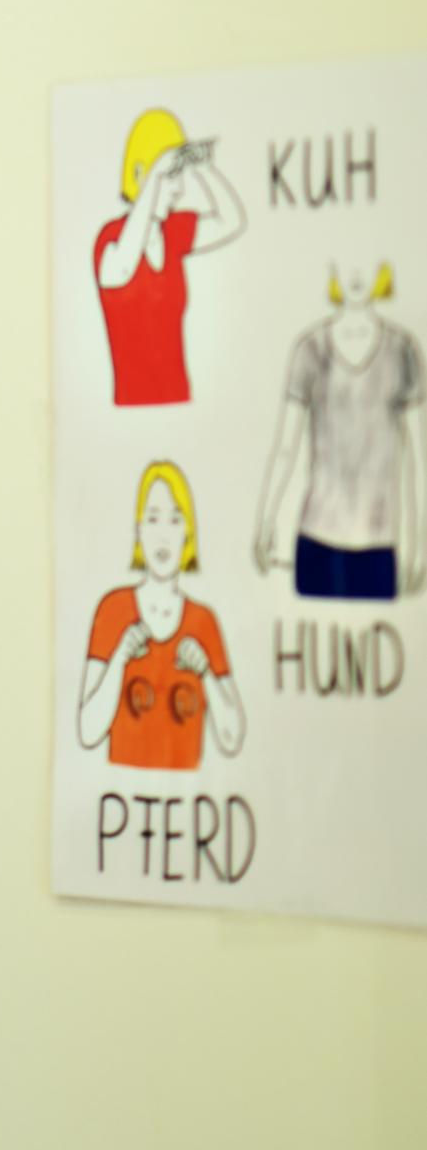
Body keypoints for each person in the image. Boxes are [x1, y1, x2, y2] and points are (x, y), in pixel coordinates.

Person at [255, 265, 427, 601]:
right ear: (333, 270)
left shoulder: (403, 350)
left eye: (367, 261)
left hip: (379, 544)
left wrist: (420, 545)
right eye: (347, 263)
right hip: (316, 540)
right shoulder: (310, 349)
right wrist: (266, 519)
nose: (356, 273)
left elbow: (419, 460)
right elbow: (286, 447)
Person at [79, 462, 245, 770]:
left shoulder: (204, 621)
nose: (163, 536)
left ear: (188, 534)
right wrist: (119, 659)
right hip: (120, 790)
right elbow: (88, 731)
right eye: (153, 519)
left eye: (175, 520)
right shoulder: (113, 610)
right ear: (138, 530)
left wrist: (206, 673)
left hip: (190, 792)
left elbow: (232, 737)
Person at [94, 108, 246, 406]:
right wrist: (157, 172)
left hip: (181, 401)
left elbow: (231, 220)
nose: (179, 189)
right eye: (170, 177)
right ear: (140, 175)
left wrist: (202, 166)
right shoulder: (111, 239)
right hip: (129, 410)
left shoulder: (173, 233)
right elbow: (120, 270)